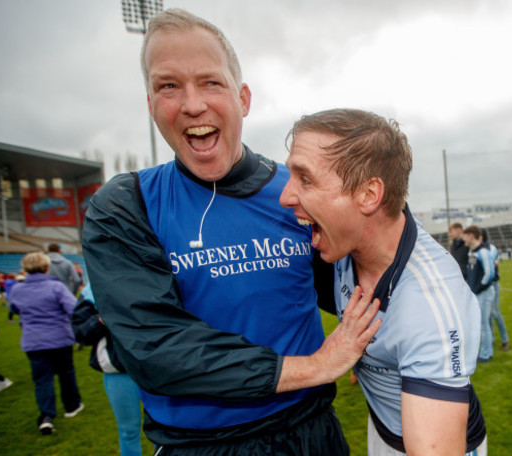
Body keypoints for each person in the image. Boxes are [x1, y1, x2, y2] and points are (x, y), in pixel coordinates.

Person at [82, 8, 379, 455]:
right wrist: (316, 365)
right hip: (200, 446)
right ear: (150, 106)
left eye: (210, 82)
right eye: (168, 86)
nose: (192, 104)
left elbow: (358, 285)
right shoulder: (125, 205)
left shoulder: (296, 191)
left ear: (243, 98)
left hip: (312, 433)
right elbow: (155, 348)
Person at [279, 108, 487, 455]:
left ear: (368, 195)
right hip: (383, 425)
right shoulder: (345, 242)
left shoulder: (428, 305)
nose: (285, 196)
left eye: (306, 179)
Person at [8, 252, 83, 435]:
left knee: (42, 379)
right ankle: (72, 406)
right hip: (59, 338)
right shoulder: (56, 287)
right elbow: (74, 309)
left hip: (34, 340)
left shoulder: (17, 289)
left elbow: (14, 308)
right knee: (66, 372)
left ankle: (47, 416)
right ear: (46, 267)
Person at [72, 283, 145, 456]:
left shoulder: (152, 273)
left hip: (160, 367)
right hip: (119, 371)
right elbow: (79, 333)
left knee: (170, 427)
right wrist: (100, 320)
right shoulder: (92, 289)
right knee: (129, 431)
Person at [463, 225, 496, 363]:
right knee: (484, 322)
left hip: (484, 293)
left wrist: (479, 287)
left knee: (483, 324)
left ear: (471, 236)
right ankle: (487, 349)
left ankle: (486, 354)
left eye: (465, 235)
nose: (463, 238)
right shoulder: (472, 252)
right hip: (477, 293)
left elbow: (490, 273)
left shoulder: (483, 252)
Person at [482, 230, 510, 352]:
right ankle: (491, 338)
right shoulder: (474, 250)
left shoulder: (490, 248)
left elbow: (488, 264)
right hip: (482, 285)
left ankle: (505, 340)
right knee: (486, 314)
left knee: (495, 312)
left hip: (492, 283)